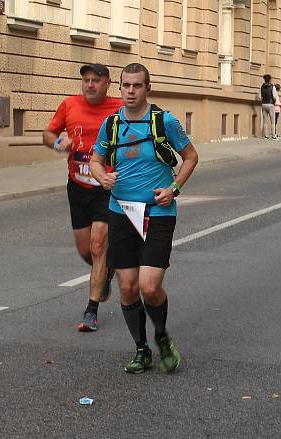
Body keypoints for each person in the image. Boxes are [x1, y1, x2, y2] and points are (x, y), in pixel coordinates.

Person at [90, 63, 198, 374]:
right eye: (126, 86)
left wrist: (174, 187)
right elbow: (96, 161)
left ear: (147, 88)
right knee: (127, 287)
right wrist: (102, 177)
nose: (131, 91)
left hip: (158, 212)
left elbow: (191, 156)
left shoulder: (165, 122)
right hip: (121, 212)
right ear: (119, 88)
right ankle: (141, 349)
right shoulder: (111, 125)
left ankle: (162, 336)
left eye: (137, 86)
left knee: (149, 287)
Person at [43, 63, 123, 332]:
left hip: (107, 187)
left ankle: (91, 311)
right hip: (77, 186)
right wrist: (57, 143)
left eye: (96, 81)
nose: (90, 85)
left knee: (99, 245)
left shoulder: (120, 108)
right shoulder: (69, 105)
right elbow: (48, 133)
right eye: (86, 80)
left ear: (108, 83)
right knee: (85, 250)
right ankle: (107, 272)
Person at [258, 74, 280, 139]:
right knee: (272, 121)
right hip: (271, 104)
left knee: (265, 121)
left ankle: (265, 135)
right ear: (270, 80)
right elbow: (275, 96)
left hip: (264, 104)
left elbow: (259, 96)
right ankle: (273, 135)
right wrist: (274, 101)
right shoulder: (272, 87)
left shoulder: (261, 87)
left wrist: (262, 100)